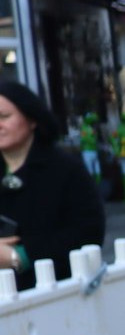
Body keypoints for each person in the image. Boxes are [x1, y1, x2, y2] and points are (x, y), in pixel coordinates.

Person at [0, 82, 106, 287]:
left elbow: (87, 232)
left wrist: (19, 255)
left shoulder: (65, 170)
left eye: (4, 117)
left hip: (54, 292)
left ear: (32, 119)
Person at [78, 112, 100, 180]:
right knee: (90, 170)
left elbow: (94, 138)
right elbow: (83, 139)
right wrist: (91, 139)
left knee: (97, 170)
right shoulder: (84, 128)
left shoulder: (92, 128)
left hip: (94, 151)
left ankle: (97, 185)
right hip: (87, 151)